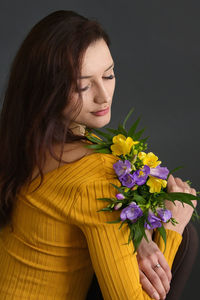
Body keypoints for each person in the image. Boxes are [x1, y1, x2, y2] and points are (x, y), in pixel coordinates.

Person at [0, 10, 198, 300]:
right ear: (47, 88)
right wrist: (171, 228)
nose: (104, 95)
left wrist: (138, 234)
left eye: (109, 75)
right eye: (83, 85)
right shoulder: (97, 179)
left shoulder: (19, 137)